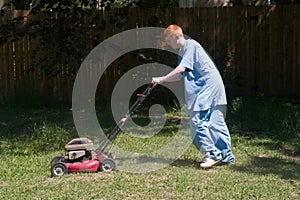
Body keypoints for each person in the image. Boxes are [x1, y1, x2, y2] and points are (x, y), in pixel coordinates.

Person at [152, 24, 235, 168]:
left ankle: (213, 154)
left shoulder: (190, 46)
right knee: (216, 123)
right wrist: (162, 80)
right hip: (212, 87)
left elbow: (181, 69)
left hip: (208, 88)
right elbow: (179, 75)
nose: (169, 45)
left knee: (198, 123)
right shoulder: (182, 52)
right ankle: (226, 156)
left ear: (176, 36)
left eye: (169, 41)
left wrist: (161, 78)